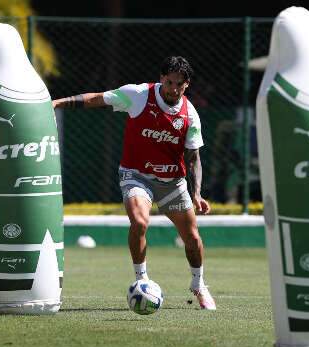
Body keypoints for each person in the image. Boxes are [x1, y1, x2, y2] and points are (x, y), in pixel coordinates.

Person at [52, 56, 216, 310]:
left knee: (192, 238)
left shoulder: (190, 115)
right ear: (162, 78)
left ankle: (198, 284)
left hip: (173, 182)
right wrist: (56, 103)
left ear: (187, 85)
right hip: (136, 175)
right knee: (140, 221)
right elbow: (97, 98)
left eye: (179, 84)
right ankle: (142, 280)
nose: (173, 88)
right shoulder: (138, 95)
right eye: (169, 82)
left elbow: (193, 158)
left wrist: (196, 194)